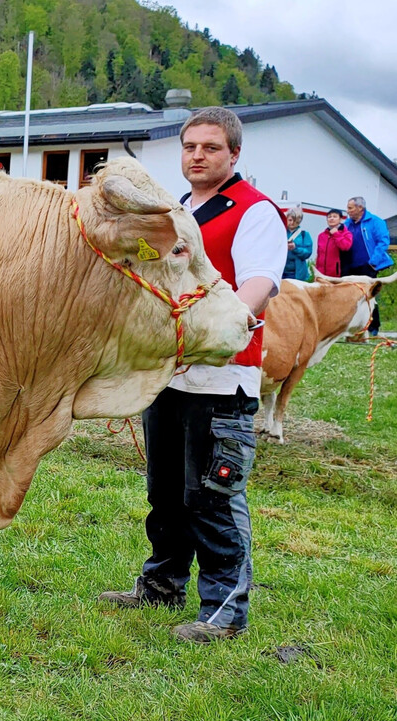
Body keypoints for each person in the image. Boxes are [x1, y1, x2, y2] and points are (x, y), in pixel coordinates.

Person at [99, 107, 286, 643]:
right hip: (169, 373)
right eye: (189, 147)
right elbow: (151, 266)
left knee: (213, 495)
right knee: (166, 492)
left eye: (210, 147)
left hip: (222, 378)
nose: (197, 156)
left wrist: (226, 328)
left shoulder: (254, 211)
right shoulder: (176, 211)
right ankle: (162, 584)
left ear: (234, 154)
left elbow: (259, 282)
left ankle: (225, 608)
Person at [343, 197, 393, 336]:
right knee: (352, 297)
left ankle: (373, 326)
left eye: (350, 208)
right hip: (351, 266)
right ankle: (354, 326)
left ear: (360, 208)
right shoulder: (347, 223)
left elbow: (383, 242)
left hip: (368, 266)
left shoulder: (376, 222)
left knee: (369, 296)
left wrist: (373, 262)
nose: (348, 211)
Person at [315, 208, 353, 278]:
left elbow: (345, 247)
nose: (331, 218)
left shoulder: (346, 234)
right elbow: (319, 255)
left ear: (340, 219)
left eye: (335, 216)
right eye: (329, 217)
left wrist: (336, 234)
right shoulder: (321, 235)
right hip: (321, 274)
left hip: (337, 274)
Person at [282, 206, 312, 281]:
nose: (292, 223)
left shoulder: (304, 234)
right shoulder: (281, 232)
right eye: (290, 220)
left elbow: (307, 253)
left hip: (297, 273)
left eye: (295, 221)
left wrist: (295, 248)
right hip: (281, 271)